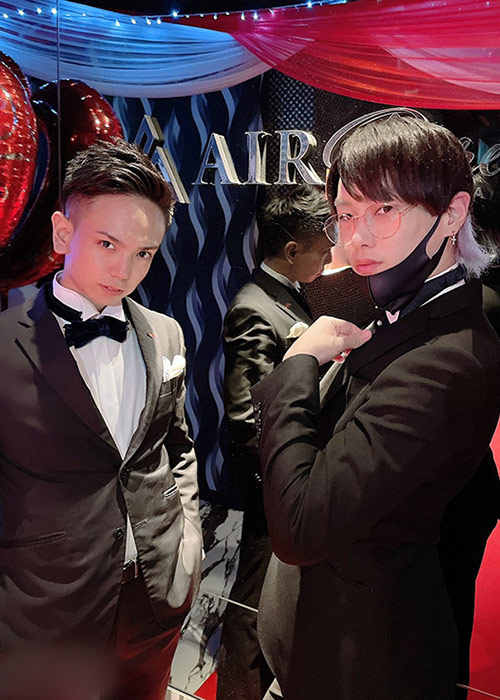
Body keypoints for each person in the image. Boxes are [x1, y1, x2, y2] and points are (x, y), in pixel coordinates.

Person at [251, 113, 500, 700]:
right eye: (344, 214)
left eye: (383, 209)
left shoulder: (449, 359)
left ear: (452, 214)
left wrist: (298, 365)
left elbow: (302, 527)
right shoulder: (397, 303)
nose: (353, 239)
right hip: (318, 641)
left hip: (364, 662)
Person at [0, 139, 203, 700]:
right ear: (63, 233)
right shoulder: (4, 343)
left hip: (153, 604)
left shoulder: (166, 333)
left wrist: (186, 542)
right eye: (108, 243)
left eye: (144, 253)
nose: (124, 269)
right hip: (42, 614)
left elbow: (176, 446)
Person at [216, 185, 332, 700]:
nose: (328, 259)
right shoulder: (254, 308)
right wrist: (280, 483)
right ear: (290, 250)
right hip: (274, 483)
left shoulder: (286, 294)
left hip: (290, 476)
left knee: (273, 591)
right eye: (321, 249)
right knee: (254, 598)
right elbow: (246, 419)